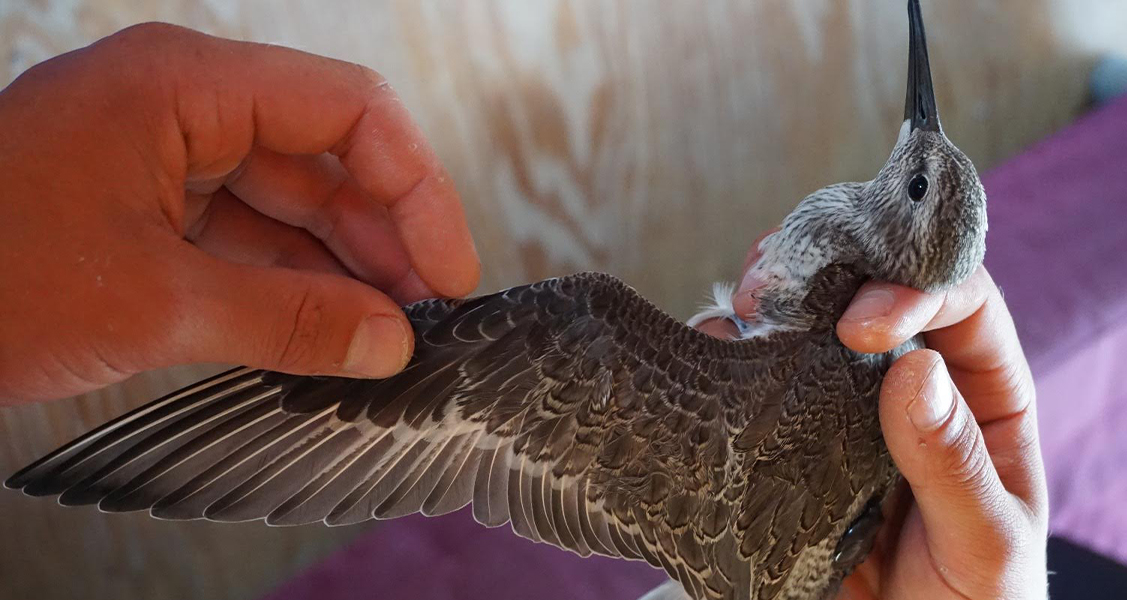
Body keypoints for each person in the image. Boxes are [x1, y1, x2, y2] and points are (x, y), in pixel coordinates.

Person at [0, 24, 1048, 600]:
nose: (917, 132)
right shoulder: (902, 362)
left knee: (551, 336)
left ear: (903, 224)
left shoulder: (884, 356)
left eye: (918, 181)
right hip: (840, 557)